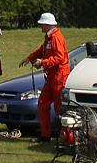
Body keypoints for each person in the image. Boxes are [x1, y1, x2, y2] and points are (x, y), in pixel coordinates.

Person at [21, 11, 70, 143]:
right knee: (43, 103)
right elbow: (42, 50)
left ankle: (63, 137)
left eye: (41, 24)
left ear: (48, 25)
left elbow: (60, 58)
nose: (40, 27)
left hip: (59, 76)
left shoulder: (56, 37)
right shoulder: (49, 37)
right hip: (51, 77)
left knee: (59, 108)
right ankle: (45, 135)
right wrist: (30, 58)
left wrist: (43, 63)